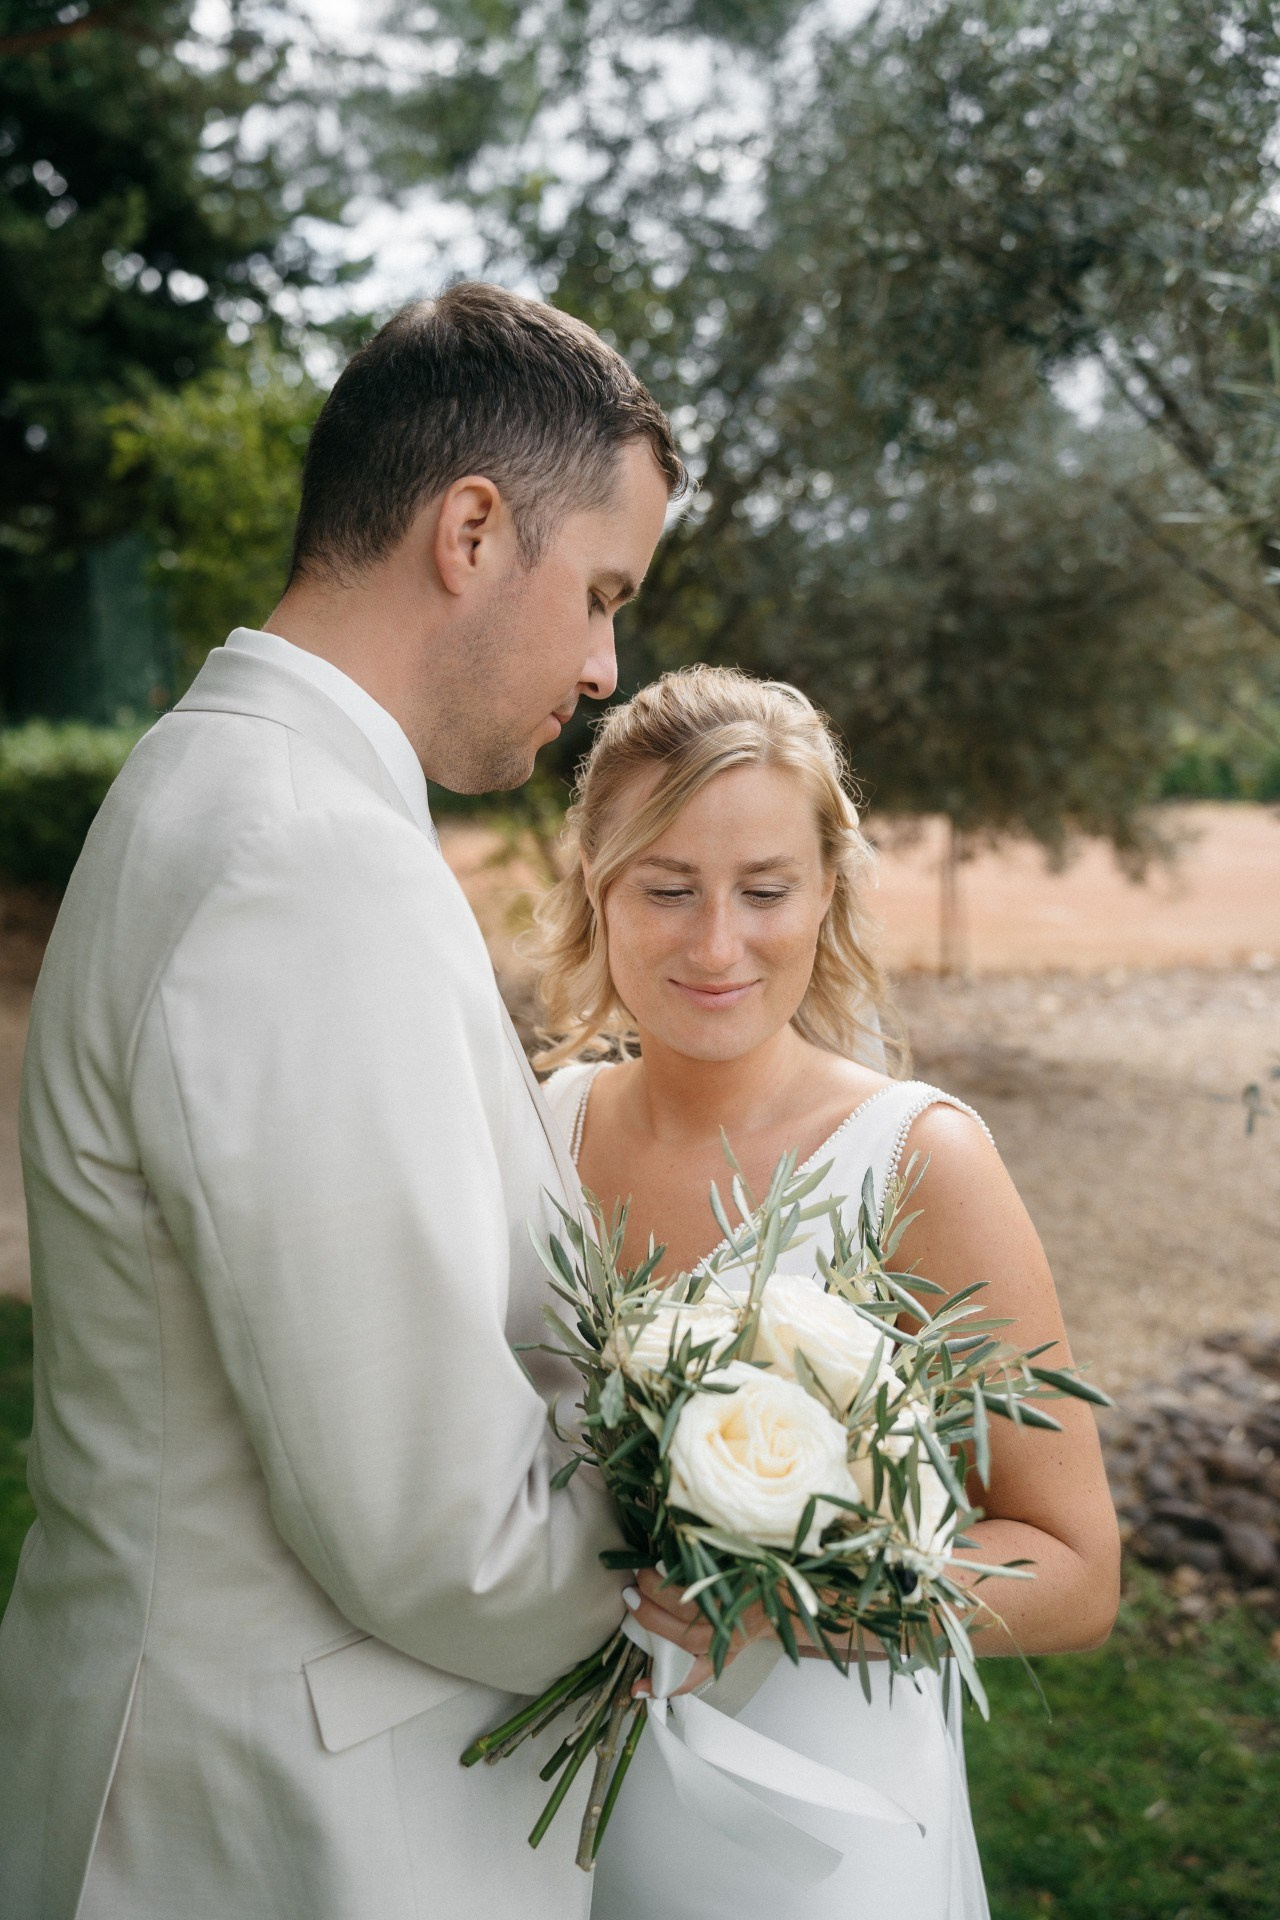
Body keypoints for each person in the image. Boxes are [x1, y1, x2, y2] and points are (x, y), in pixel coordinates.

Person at [0, 284, 697, 1920]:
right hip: (268, 1824)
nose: (606, 667)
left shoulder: (230, 782)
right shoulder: (301, 853)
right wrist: (708, 1556)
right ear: (471, 531)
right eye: (599, 594)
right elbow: (427, 1522)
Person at [532, 666, 1122, 1920]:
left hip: (826, 1827)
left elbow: (1074, 1568)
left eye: (762, 890)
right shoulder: (541, 1128)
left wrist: (795, 1604)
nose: (714, 944)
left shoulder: (918, 1159)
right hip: (548, 1810)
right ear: (596, 883)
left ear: (826, 894)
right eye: (666, 887)